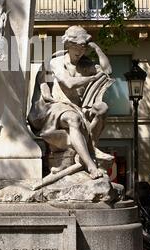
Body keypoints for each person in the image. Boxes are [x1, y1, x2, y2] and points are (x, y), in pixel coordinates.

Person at [28, 26, 114, 179]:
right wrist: (91, 78)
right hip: (55, 107)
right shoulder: (56, 62)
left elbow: (107, 71)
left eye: (83, 47)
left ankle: (90, 147)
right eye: (76, 46)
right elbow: (68, 83)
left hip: (79, 107)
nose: (80, 51)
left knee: (102, 108)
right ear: (68, 45)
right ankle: (91, 165)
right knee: (72, 118)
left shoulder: (85, 65)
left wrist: (98, 50)